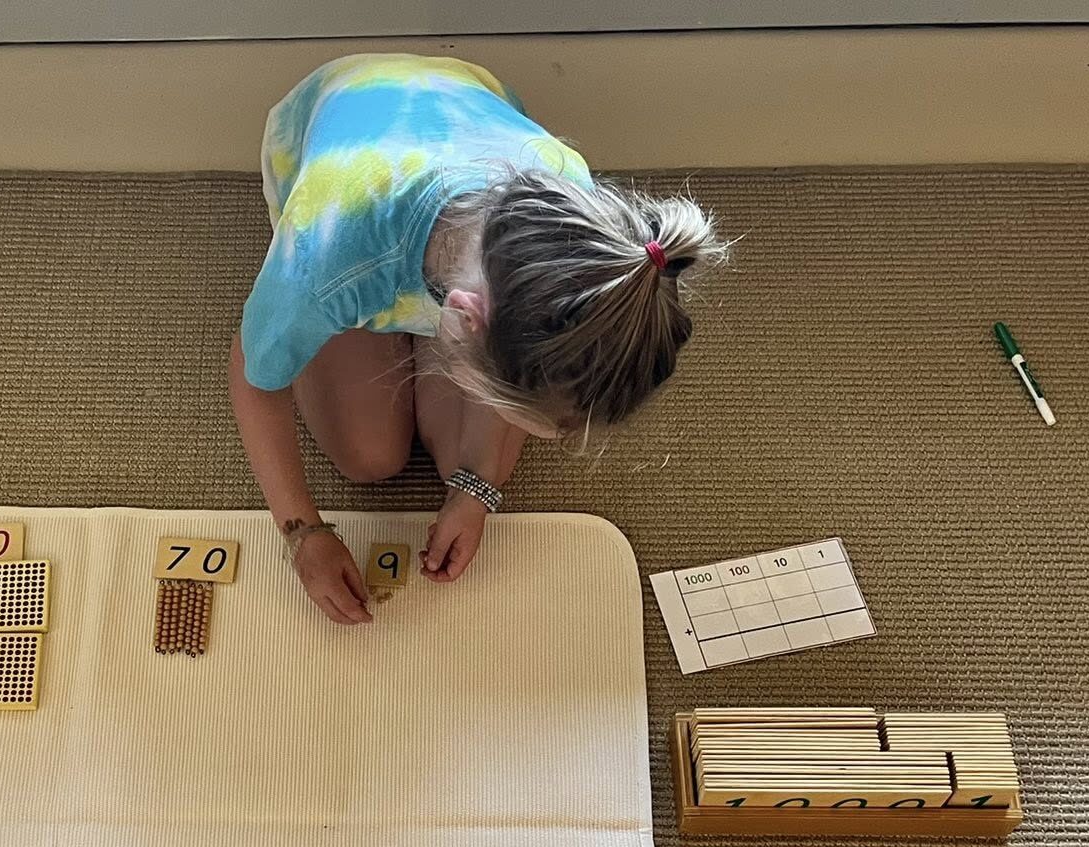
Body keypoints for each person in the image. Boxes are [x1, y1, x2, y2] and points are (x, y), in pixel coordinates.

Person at [229, 54, 727, 624]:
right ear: (465, 320)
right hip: (343, 124)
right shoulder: (328, 251)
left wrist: (476, 490)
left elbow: (515, 391)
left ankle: (469, 373)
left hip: (461, 128)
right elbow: (253, 375)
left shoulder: (591, 235)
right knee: (370, 459)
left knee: (463, 463)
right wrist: (302, 533)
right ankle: (410, 336)